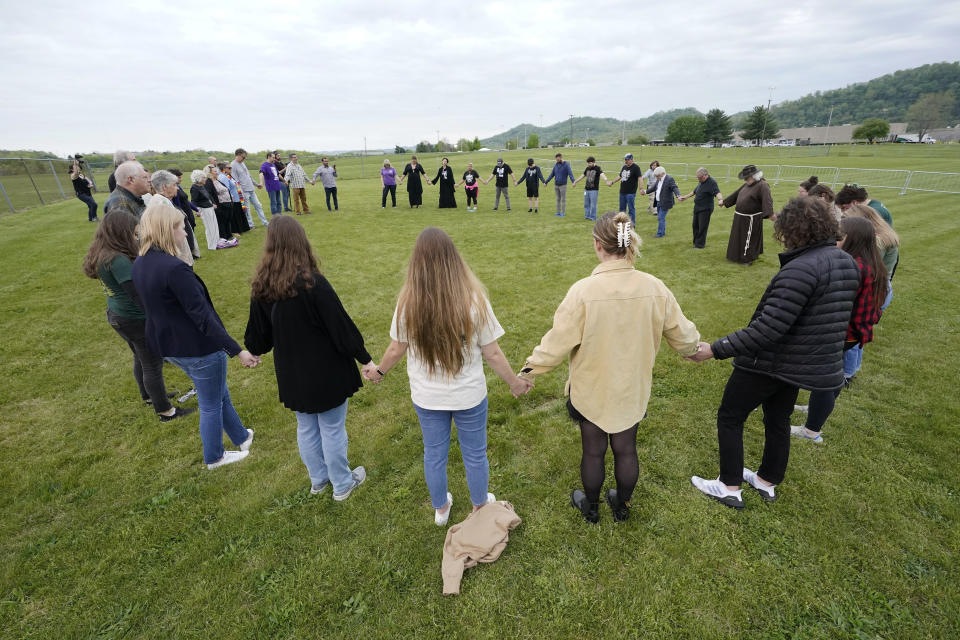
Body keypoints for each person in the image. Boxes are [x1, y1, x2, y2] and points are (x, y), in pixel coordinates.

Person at [518, 212, 701, 523]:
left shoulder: (582, 292)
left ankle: (591, 507)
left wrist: (529, 371)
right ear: (627, 243)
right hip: (632, 388)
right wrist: (695, 349)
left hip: (591, 389)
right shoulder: (655, 287)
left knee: (593, 451)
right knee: (626, 449)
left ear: (597, 245)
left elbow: (556, 342)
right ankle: (622, 505)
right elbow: (682, 334)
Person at [688, 196, 859, 509]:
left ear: (793, 228)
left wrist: (715, 349)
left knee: (731, 416)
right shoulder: (843, 261)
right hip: (798, 363)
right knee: (778, 418)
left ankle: (729, 486)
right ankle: (767, 480)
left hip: (769, 362)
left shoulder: (802, 270)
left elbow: (768, 328)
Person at [365, 228, 531, 526]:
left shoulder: (408, 303)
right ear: (454, 259)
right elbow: (492, 353)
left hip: (429, 398)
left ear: (417, 264)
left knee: (434, 454)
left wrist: (379, 372)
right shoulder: (473, 300)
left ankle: (441, 509)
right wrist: (514, 382)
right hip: (468, 397)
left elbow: (395, 348)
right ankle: (479, 506)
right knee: (474, 454)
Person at [244, 216, 371, 500]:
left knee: (309, 427)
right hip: (323, 372)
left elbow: (257, 339)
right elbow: (341, 327)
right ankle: (339, 483)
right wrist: (366, 360)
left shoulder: (269, 285)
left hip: (295, 373)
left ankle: (322, 480)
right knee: (329, 427)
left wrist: (252, 349)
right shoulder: (309, 283)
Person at [132, 199, 260, 470]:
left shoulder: (141, 262)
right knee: (211, 402)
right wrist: (238, 350)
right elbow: (203, 317)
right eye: (181, 227)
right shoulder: (175, 269)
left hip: (169, 346)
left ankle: (240, 436)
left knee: (217, 390)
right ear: (167, 231)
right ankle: (215, 456)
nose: (186, 232)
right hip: (196, 348)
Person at [82, 210, 192, 422]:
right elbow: (137, 295)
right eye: (133, 235)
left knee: (140, 357)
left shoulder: (102, 251)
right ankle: (165, 411)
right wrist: (159, 315)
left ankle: (149, 395)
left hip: (117, 315)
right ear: (120, 233)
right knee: (152, 362)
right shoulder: (118, 259)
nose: (136, 238)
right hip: (133, 320)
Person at [792, 216, 887, 443]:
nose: (835, 239)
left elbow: (837, 302)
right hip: (855, 332)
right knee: (832, 375)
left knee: (826, 378)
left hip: (843, 331)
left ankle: (811, 431)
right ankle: (814, 411)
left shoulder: (855, 267)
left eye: (840, 236)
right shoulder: (874, 264)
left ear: (852, 238)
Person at [838, 203, 900, 381]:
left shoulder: (875, 243)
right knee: (861, 332)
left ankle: (847, 374)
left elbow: (865, 269)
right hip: (883, 285)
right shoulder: (887, 235)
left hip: (874, 287)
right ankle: (852, 369)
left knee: (854, 331)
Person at [718, 164, 774, 265]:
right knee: (737, 238)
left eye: (746, 177)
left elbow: (767, 201)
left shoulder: (763, 185)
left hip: (751, 219)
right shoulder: (747, 184)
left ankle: (747, 259)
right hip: (739, 217)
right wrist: (724, 202)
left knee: (749, 239)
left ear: (754, 176)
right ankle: (734, 256)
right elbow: (736, 194)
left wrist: (770, 214)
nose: (744, 180)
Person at [151, 170, 195, 266]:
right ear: (164, 187)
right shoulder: (161, 204)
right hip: (177, 257)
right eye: (174, 185)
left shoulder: (165, 200)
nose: (177, 188)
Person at [190, 169, 235, 251]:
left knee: (214, 226)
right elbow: (194, 201)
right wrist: (197, 210)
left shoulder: (202, 186)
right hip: (204, 209)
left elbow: (209, 196)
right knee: (210, 227)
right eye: (203, 178)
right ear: (198, 179)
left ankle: (217, 242)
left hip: (210, 208)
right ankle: (212, 246)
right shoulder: (194, 188)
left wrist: (212, 203)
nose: (205, 179)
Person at [678, 168, 723, 249]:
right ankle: (696, 242)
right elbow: (695, 191)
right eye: (697, 177)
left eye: (700, 177)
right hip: (697, 207)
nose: (698, 179)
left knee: (702, 227)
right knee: (695, 226)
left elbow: (717, 192)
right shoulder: (701, 181)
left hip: (705, 208)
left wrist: (720, 200)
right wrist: (685, 197)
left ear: (705, 175)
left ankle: (700, 245)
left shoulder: (712, 182)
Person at [230, 148, 269, 227]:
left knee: (258, 205)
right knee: (247, 209)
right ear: (237, 155)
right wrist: (241, 192)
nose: (244, 159)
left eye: (245, 157)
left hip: (251, 189)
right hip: (244, 191)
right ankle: (250, 225)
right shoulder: (233, 165)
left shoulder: (242, 163)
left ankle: (265, 222)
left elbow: (248, 176)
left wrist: (256, 184)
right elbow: (235, 180)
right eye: (243, 157)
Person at [169, 168, 202, 259]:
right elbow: (177, 204)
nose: (181, 179)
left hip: (188, 213)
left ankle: (193, 252)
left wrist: (196, 209)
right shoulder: (174, 190)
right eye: (179, 177)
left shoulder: (179, 187)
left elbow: (186, 201)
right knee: (186, 235)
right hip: (182, 215)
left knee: (191, 233)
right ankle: (189, 254)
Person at [644, 166, 680, 238]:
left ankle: (660, 234)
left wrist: (678, 195)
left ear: (662, 174)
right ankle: (662, 233)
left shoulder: (669, 179)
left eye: (658, 176)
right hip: (658, 202)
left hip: (665, 202)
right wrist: (645, 191)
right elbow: (654, 188)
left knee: (661, 217)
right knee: (661, 218)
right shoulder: (658, 180)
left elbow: (674, 187)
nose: (657, 177)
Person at [608, 153, 642, 225]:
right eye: (625, 159)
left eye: (627, 159)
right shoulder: (624, 167)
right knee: (622, 209)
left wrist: (641, 188)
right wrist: (612, 182)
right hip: (622, 192)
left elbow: (640, 178)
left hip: (631, 192)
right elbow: (620, 176)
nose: (626, 161)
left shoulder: (636, 167)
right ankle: (622, 223)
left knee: (631, 209)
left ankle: (632, 224)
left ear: (631, 159)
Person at [217, 162, 251, 232]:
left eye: (231, 167)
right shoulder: (223, 177)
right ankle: (236, 230)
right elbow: (226, 189)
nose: (231, 169)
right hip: (233, 200)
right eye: (229, 168)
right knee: (235, 216)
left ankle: (243, 228)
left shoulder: (228, 175)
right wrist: (231, 198)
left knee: (240, 214)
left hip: (238, 199)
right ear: (224, 169)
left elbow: (235, 185)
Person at [572, 157, 607, 221]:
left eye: (590, 163)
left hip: (594, 190)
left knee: (593, 204)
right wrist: (575, 181)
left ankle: (593, 217)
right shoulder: (587, 168)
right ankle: (587, 216)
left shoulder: (598, 168)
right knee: (586, 204)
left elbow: (602, 175)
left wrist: (606, 180)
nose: (589, 164)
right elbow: (582, 176)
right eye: (588, 163)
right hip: (586, 189)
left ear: (593, 162)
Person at [543, 153, 574, 217]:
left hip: (563, 185)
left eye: (558, 159)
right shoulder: (556, 165)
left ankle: (563, 212)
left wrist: (573, 181)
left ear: (561, 158)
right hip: (556, 185)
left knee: (563, 199)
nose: (557, 160)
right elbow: (552, 175)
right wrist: (546, 182)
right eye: (556, 159)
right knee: (558, 199)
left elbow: (570, 174)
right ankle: (558, 212)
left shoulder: (566, 165)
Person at [70, 157, 98, 222]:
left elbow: (88, 182)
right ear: (73, 169)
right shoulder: (73, 176)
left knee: (91, 206)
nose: (78, 168)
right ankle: (94, 217)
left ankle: (90, 219)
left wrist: (89, 185)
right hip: (81, 194)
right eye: (76, 168)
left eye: (78, 167)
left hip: (87, 192)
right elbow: (76, 173)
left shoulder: (81, 175)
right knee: (94, 204)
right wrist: (75, 164)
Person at [259, 152, 284, 216]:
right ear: (269, 157)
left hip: (277, 186)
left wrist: (284, 181)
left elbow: (278, 174)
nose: (274, 159)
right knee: (274, 202)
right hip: (271, 187)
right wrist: (261, 183)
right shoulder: (265, 165)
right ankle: (275, 216)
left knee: (279, 202)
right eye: (273, 157)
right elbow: (261, 173)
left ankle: (279, 215)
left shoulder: (273, 165)